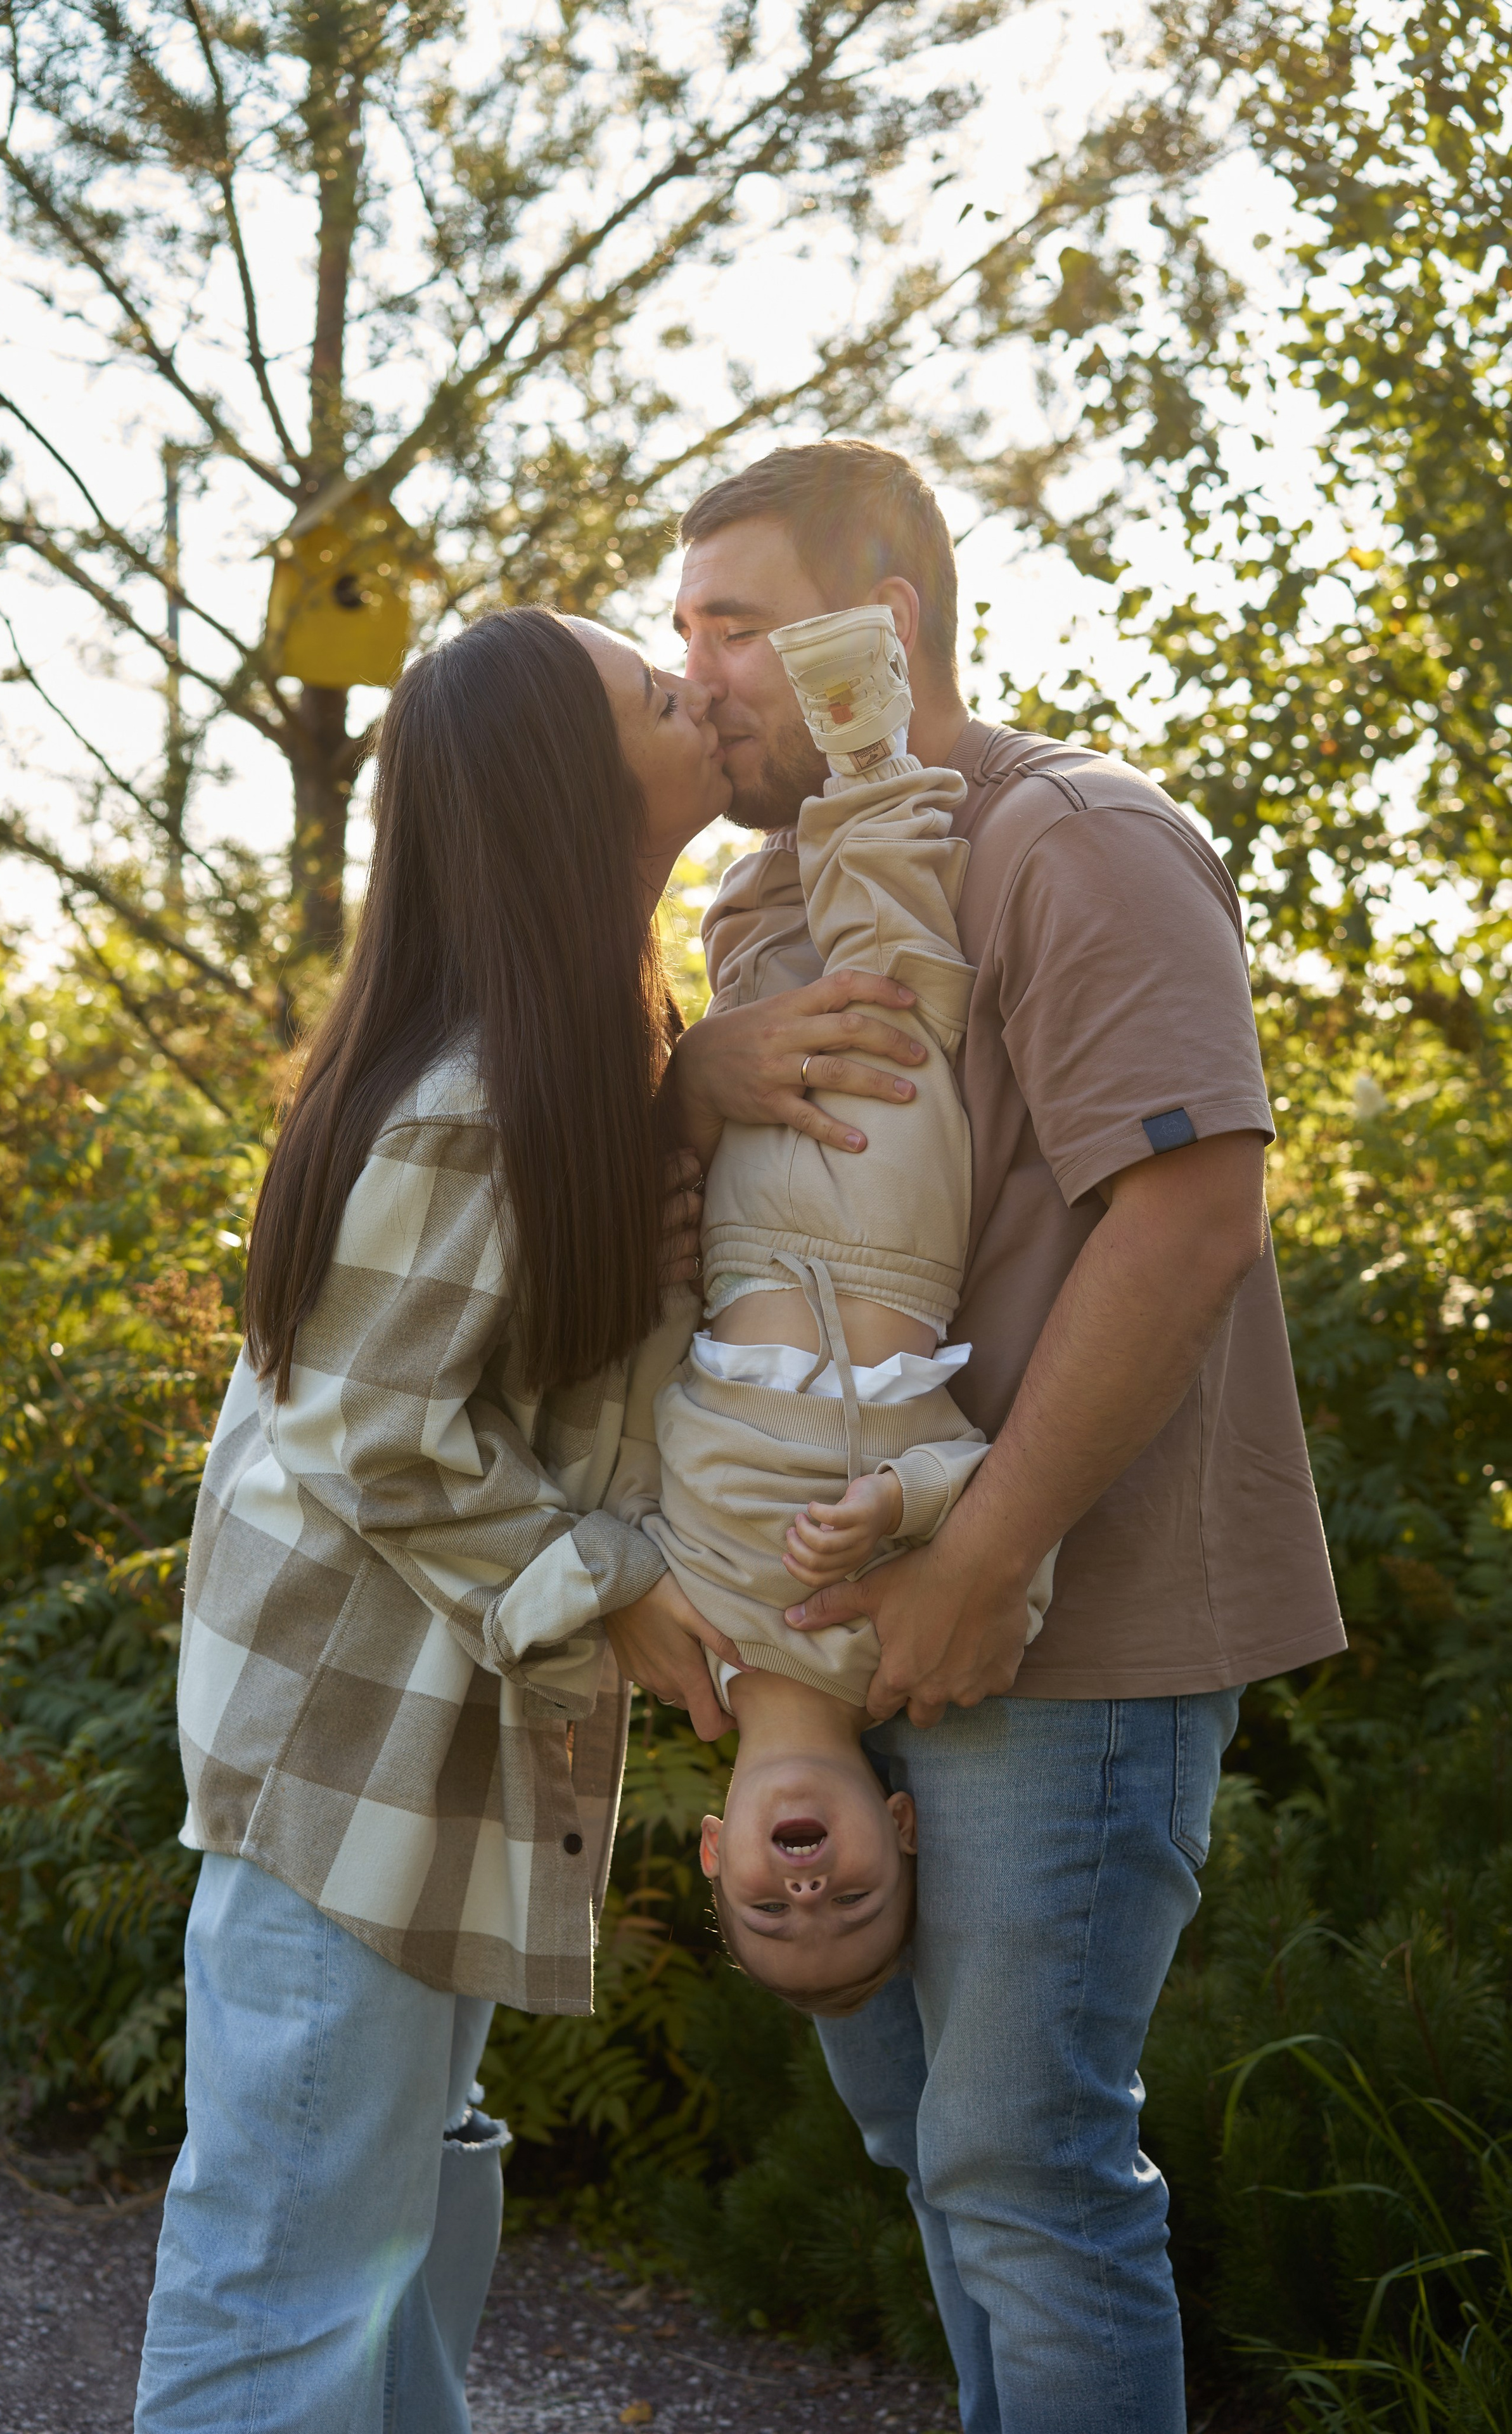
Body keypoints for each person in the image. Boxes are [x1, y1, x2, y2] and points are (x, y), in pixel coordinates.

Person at [133, 603, 930, 2434]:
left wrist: (679, 1101)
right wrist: (617, 1593)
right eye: (656, 692)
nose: (698, 690)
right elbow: (376, 1427)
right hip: (348, 1764)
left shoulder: (571, 1063)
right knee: (289, 2270)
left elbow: (547, 1377)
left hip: (428, 1764)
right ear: (576, 790)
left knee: (404, 2221)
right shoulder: (475, 1096)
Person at [669, 439, 1346, 2434]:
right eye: (681, 630)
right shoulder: (761, 899)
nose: (696, 677)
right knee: (934, 2158)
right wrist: (692, 1078)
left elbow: (1193, 1214)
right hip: (846, 1634)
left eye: (736, 627)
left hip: (1071, 1620)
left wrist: (980, 1552)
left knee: (1025, 2167)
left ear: (880, 626)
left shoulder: (1078, 840)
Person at [610, 603, 1050, 2014]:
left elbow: (605, 1478)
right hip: (885, 1251)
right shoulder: (906, 1655)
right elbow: (1006, 1512)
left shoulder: (678, 1642)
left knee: (757, 983)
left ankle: (770, 857)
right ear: (900, 1827)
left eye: (770, 1907)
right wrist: (902, 1506)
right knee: (888, 1003)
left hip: (736, 1253)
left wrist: (611, 1595)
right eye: (850, 1900)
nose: (808, 1891)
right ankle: (863, 727)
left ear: (713, 1849)